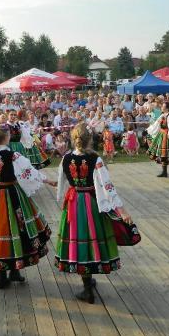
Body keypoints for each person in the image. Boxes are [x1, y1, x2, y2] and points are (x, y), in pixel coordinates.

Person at [0, 125, 55, 289]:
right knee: (17, 230)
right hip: (12, 196)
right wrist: (47, 180)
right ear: (6, 138)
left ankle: (3, 276)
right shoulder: (12, 155)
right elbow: (29, 172)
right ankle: (14, 271)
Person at [55, 123, 131, 303]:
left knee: (80, 240)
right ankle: (88, 285)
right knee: (92, 239)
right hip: (91, 202)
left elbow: (61, 184)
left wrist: (62, 195)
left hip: (74, 203)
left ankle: (87, 285)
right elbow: (107, 186)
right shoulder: (95, 159)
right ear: (90, 140)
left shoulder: (65, 158)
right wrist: (121, 210)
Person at [146, 102, 169, 177]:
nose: (161, 107)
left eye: (163, 106)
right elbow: (156, 125)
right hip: (161, 135)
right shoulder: (162, 115)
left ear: (167, 108)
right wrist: (149, 130)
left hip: (168, 136)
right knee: (163, 154)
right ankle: (164, 172)